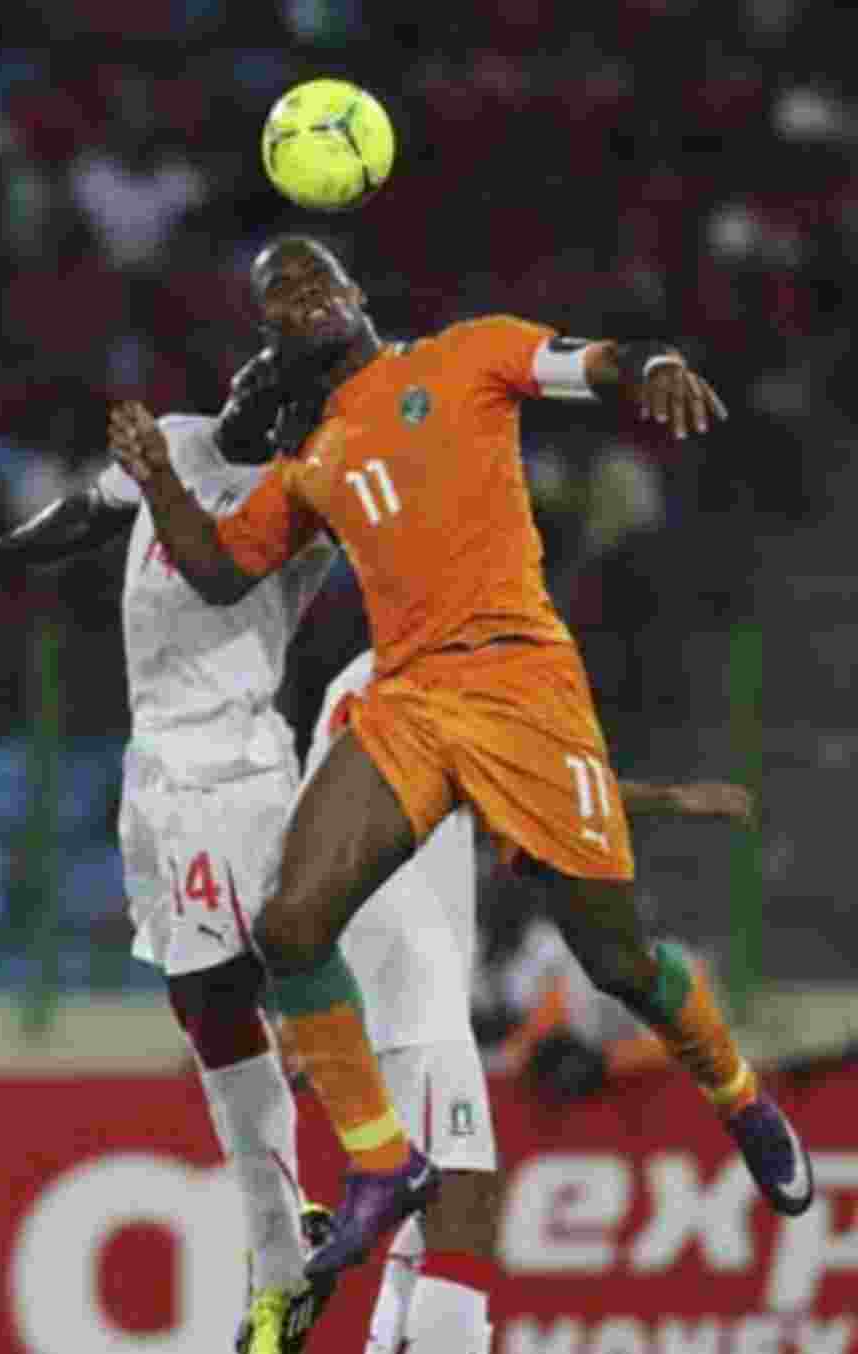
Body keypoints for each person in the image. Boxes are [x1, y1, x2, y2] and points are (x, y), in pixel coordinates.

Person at [107, 234, 813, 1288]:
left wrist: (652, 364)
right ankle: (382, 1163)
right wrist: (160, 474)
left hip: (524, 685)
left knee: (617, 962)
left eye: (314, 278)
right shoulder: (314, 463)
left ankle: (737, 1092)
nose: (301, 297)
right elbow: (215, 572)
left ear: (353, 292)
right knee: (290, 924)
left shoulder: (465, 354)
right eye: (277, 297)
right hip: (411, 699)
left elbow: (587, 362)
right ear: (274, 342)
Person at [0, 353, 340, 1354]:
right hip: (155, 769)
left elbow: (214, 567)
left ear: (296, 422)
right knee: (206, 1011)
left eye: (280, 392)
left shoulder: (301, 495)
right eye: (255, 374)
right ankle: (296, 1216)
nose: (253, 395)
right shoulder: (188, 434)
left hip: (227, 763)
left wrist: (158, 481)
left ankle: (295, 1246)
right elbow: (87, 514)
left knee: (240, 997)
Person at [277, 650, 754, 1354]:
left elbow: (303, 846)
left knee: (433, 1191)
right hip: (416, 991)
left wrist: (303, 1000)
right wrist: (671, 798)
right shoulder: (440, 677)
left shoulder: (349, 687)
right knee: (466, 1214)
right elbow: (548, 806)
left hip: (362, 982)